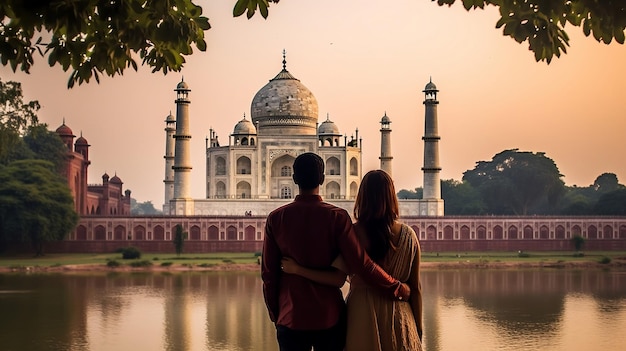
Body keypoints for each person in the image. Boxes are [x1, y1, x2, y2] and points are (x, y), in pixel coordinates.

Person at [262, 153, 410, 351]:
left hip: (290, 315)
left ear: (294, 178)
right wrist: (397, 287)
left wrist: (275, 313)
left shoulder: (276, 218)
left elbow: (269, 275)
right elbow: (362, 264)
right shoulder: (337, 217)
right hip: (328, 316)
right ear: (323, 179)